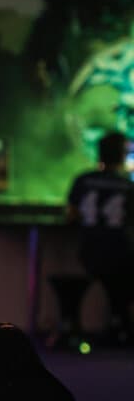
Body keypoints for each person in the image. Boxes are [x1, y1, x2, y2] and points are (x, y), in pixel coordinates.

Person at [66, 131, 134, 344]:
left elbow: (71, 215)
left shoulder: (83, 180)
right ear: (122, 155)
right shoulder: (128, 186)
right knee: (122, 277)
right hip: (120, 253)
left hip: (88, 252)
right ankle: (120, 327)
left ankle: (114, 324)